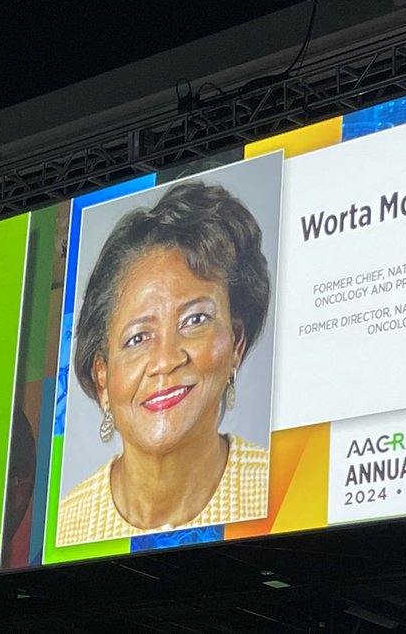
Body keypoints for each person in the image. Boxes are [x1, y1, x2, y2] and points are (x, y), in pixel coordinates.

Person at [57, 181, 271, 546]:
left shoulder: (280, 488)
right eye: (137, 338)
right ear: (102, 378)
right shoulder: (67, 523)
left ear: (236, 342)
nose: (166, 360)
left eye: (194, 320)